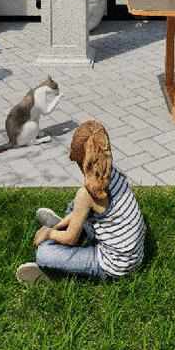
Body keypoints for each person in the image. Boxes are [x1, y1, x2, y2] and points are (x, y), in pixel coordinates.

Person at [17, 120, 147, 284]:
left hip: (114, 266)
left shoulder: (86, 194)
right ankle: (67, 226)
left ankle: (52, 274)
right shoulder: (111, 171)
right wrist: (60, 226)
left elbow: (71, 239)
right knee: (75, 206)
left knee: (44, 254)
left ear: (82, 161)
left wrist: (49, 233)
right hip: (134, 255)